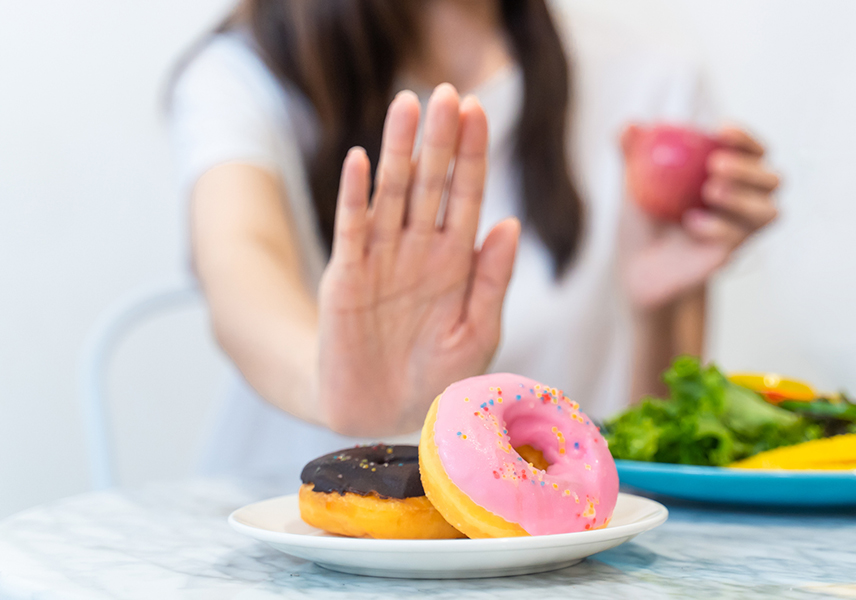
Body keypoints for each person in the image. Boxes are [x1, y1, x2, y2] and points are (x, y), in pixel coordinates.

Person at [169, 0, 780, 481]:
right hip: (289, 543)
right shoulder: (246, 71)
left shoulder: (653, 84)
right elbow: (239, 259)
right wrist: (327, 381)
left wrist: (653, 310)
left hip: (539, 561)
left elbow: (657, 465)